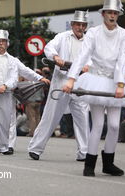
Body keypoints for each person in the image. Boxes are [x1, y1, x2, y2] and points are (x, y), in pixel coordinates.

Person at [63, 0, 125, 177]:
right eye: (109, 12)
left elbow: (122, 60)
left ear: (118, 14)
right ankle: (89, 164)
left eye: (115, 13)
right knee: (97, 124)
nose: (112, 16)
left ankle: (108, 163)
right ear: (103, 14)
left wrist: (120, 84)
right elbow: (82, 56)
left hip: (115, 82)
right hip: (95, 78)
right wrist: (71, 79)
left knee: (113, 125)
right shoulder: (94, 33)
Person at [28, 10, 90, 162]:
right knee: (50, 116)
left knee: (82, 118)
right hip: (61, 82)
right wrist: (56, 57)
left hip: (80, 83)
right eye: (77, 24)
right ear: (72, 24)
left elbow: (93, 59)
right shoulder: (62, 37)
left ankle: (84, 152)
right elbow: (49, 47)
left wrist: (88, 66)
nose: (80, 27)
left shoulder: (90, 41)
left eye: (83, 25)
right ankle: (35, 148)